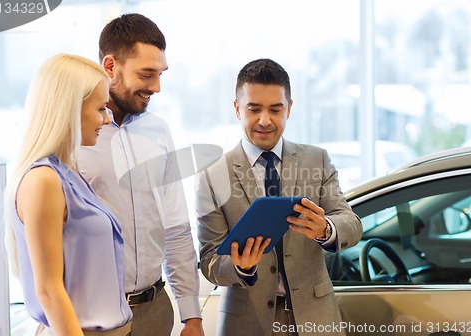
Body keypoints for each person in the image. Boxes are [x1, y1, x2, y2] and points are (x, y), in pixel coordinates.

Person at [195, 58, 363, 336]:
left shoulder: (317, 160)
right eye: (254, 109)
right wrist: (240, 266)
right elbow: (210, 261)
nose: (265, 120)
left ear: (290, 108)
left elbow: (352, 223)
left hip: (316, 319)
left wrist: (326, 229)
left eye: (275, 109)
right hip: (247, 323)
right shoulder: (213, 175)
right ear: (237, 109)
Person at [77, 13, 204, 336]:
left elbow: (175, 228)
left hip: (156, 311)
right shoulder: (72, 135)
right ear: (110, 66)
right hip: (92, 316)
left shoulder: (159, 131)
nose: (156, 87)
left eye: (160, 74)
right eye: (146, 74)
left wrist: (191, 315)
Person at [4, 54, 133, 336]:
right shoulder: (43, 180)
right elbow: (49, 291)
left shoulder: (67, 173)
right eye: (100, 109)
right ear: (69, 108)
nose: (107, 119)